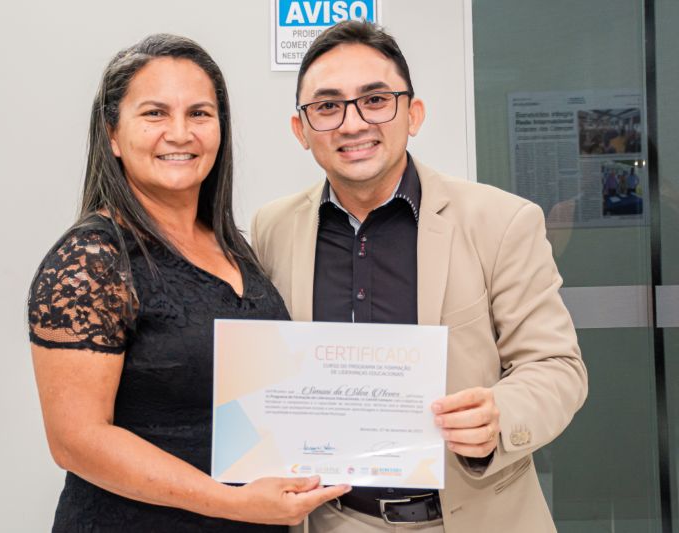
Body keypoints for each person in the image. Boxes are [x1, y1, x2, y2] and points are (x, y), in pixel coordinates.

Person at [251, 21, 587, 533]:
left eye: (375, 100)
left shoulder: (500, 221)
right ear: (301, 130)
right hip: (330, 519)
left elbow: (557, 366)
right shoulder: (272, 228)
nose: (352, 123)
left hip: (474, 519)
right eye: (327, 106)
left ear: (414, 114)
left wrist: (499, 413)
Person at [27, 34, 349, 532]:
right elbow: (76, 441)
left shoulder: (233, 246)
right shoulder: (92, 259)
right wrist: (233, 502)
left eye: (199, 113)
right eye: (154, 113)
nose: (180, 133)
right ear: (112, 135)